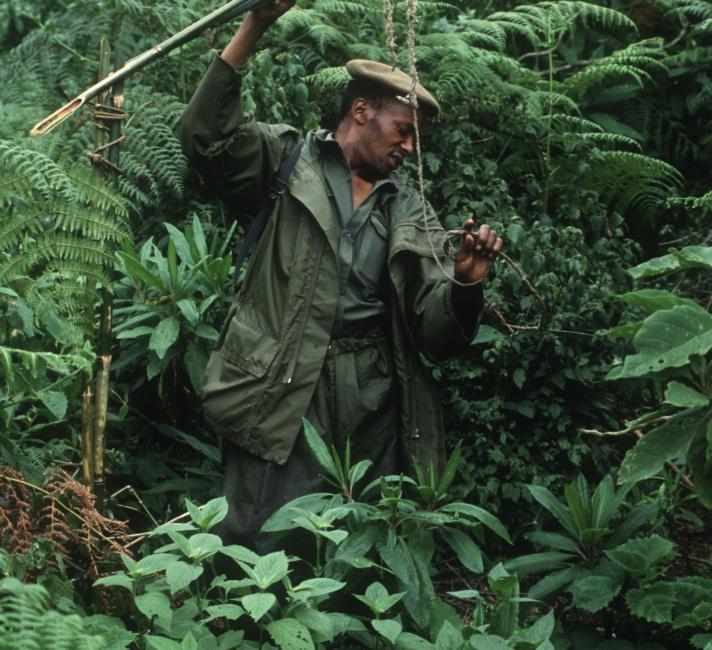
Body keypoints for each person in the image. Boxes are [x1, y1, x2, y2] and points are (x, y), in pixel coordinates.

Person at [176, 0, 503, 552]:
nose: (408, 148)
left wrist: (467, 282)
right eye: (402, 131)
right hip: (277, 379)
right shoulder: (285, 161)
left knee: (355, 540)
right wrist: (254, 24)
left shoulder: (410, 210)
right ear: (359, 112)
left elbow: (434, 335)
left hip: (368, 395)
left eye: (414, 141)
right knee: (256, 532)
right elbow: (203, 136)